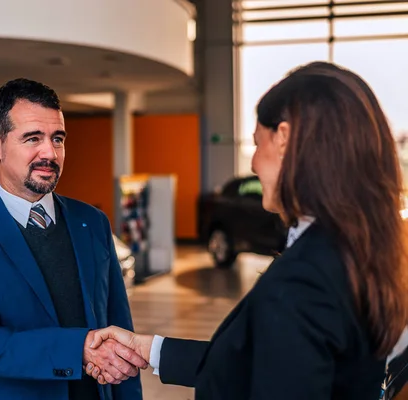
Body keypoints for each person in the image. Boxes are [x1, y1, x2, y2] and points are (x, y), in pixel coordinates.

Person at [84, 62, 408, 399]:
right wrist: (150, 350)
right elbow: (266, 362)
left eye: (256, 143)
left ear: (283, 139)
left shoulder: (304, 278)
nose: (252, 163)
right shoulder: (356, 251)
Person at [0, 78, 146, 400]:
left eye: (57, 139)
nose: (50, 152)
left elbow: (120, 332)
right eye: (32, 138)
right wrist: (79, 349)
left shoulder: (92, 221)